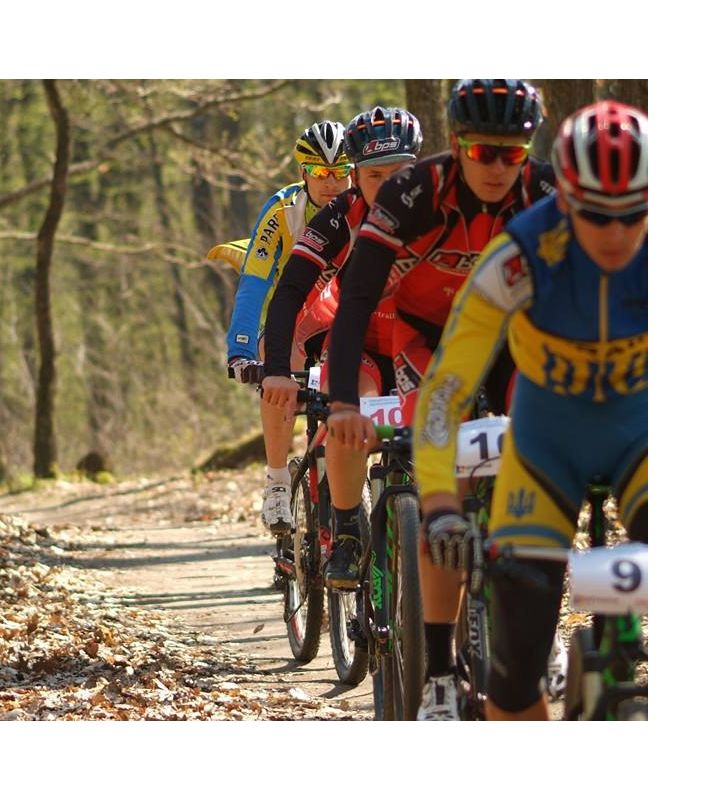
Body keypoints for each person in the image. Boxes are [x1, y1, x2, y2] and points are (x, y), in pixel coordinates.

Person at [323, 79, 555, 720]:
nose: (497, 168)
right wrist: (344, 402)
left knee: (536, 470)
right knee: (442, 477)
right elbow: (357, 303)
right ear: (456, 146)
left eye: (513, 154)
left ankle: (539, 631)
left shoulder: (546, 192)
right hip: (428, 339)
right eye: (483, 152)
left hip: (513, 338)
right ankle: (439, 674)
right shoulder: (409, 193)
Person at [412, 100, 648, 721]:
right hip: (546, 451)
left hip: (645, 439)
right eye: (598, 215)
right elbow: (445, 389)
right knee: (514, 668)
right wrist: (438, 503)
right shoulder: (519, 255)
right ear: (564, 198)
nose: (618, 234)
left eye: (635, 214)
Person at [259, 107, 422, 572]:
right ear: (356, 176)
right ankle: (347, 531)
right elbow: (290, 288)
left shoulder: (445, 211)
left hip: (421, 346)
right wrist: (275, 370)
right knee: (347, 417)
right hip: (362, 346)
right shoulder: (340, 216)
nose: (390, 185)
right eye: (375, 175)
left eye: (401, 173)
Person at [225, 121, 352, 534]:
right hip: (293, 315)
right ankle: (277, 481)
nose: (331, 183)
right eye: (320, 173)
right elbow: (255, 281)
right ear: (303, 173)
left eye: (341, 172)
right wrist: (242, 349)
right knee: (280, 368)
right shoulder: (282, 210)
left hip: (340, 316)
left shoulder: (364, 207)